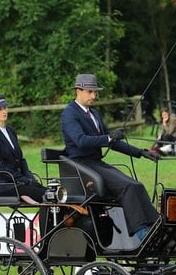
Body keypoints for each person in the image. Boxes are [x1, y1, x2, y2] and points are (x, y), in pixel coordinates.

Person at [61, 74, 159, 241]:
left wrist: (140, 152)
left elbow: (112, 142)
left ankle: (154, 225)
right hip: (81, 166)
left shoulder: (95, 114)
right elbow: (81, 141)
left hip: (96, 163)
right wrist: (108, 138)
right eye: (90, 92)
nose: (94, 96)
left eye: (95, 92)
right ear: (78, 91)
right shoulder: (70, 114)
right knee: (127, 187)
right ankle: (141, 232)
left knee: (136, 185)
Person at [0, 93, 47, 203]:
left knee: (51, 193)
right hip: (6, 186)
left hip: (19, 182)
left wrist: (30, 178)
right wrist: (23, 180)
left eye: (5, 108)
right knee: (47, 196)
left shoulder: (11, 131)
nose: (4, 111)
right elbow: (0, 166)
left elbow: (21, 160)